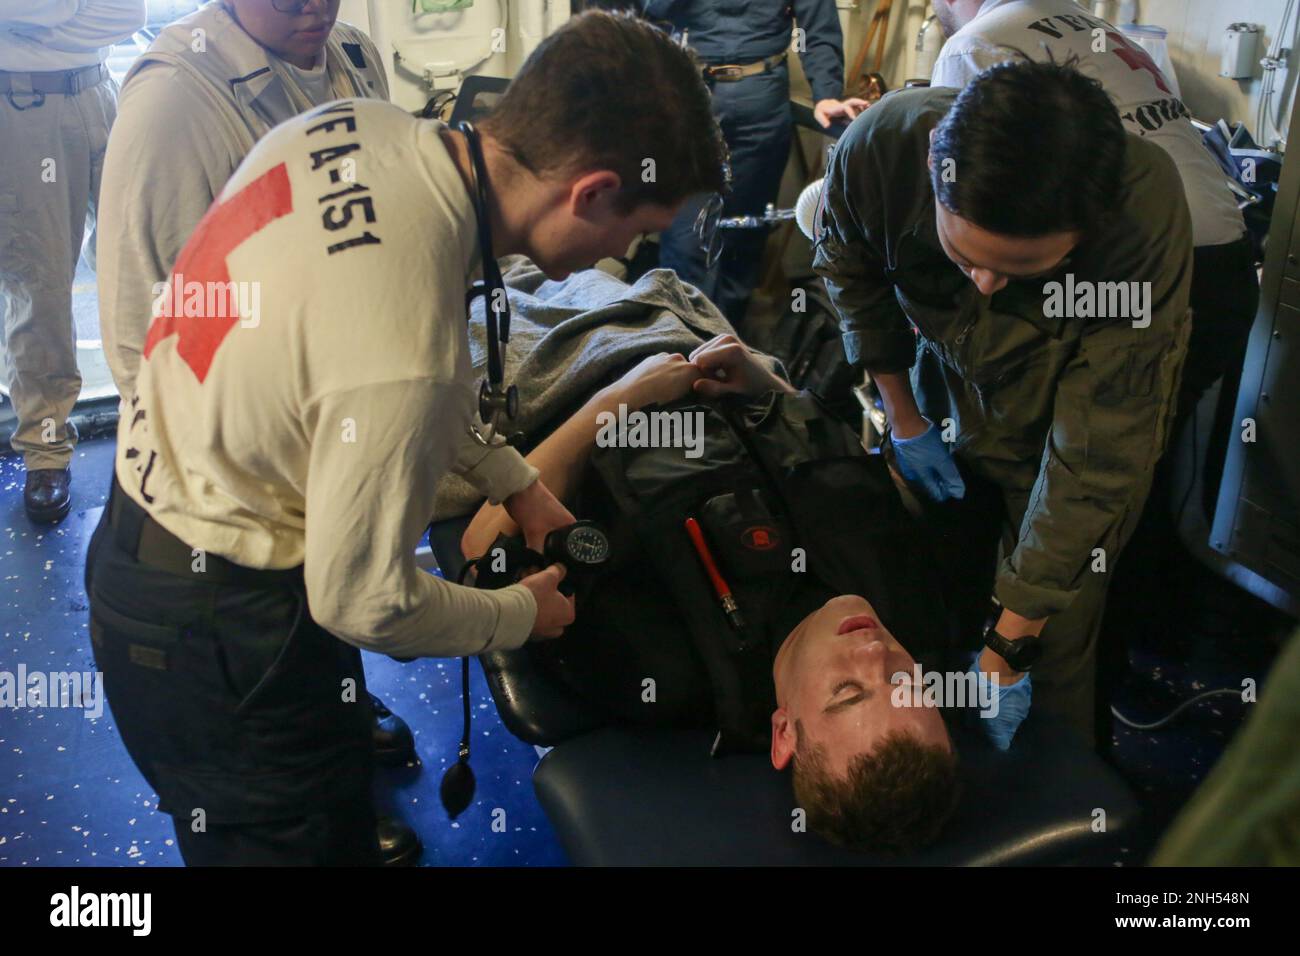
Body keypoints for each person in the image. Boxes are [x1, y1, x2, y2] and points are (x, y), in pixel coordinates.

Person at [84, 9, 729, 865]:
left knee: (322, 811)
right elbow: (362, 602)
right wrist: (516, 614)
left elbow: (354, 348)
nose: (629, 248)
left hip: (166, 532)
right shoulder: (402, 355)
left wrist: (515, 480)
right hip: (218, 627)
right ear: (592, 192)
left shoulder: (353, 126)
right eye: (636, 228)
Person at [94, 0, 415, 861]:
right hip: (227, 493)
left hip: (314, 437)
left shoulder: (350, 56)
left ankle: (338, 748)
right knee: (269, 733)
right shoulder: (176, 105)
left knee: (321, 640)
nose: (316, 5)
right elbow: (141, 340)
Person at [812, 60, 1193, 750]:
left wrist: (1011, 648)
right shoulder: (881, 147)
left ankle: (1062, 818)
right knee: (924, 593)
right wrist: (904, 420)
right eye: (963, 257)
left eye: (1020, 270)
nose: (984, 285)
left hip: (1062, 433)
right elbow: (853, 270)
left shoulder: (1138, 215)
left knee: (1054, 644)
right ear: (934, 163)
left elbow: (1100, 450)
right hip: (940, 395)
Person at [462, 338, 964, 851]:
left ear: (784, 732)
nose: (876, 652)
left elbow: (483, 551)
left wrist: (616, 401)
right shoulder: (916, 612)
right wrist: (767, 387)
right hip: (714, 352)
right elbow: (831, 458)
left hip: (553, 382)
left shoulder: (660, 665)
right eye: (908, 684)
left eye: (849, 692)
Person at [928, 0, 1263, 751]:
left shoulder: (975, 48)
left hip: (1139, 251)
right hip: (1225, 259)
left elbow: (977, 204)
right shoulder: (1070, 18)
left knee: (1084, 476)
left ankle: (1058, 708)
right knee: (1123, 492)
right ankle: (1099, 685)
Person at [0, 0, 146, 523]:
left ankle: (158, 419)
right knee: (38, 287)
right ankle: (46, 449)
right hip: (22, 108)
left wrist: (31, 21)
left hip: (100, 91)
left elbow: (128, 13)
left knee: (139, 261)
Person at [643, 1, 869, 329]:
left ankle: (726, 346)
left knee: (744, 237)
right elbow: (647, 12)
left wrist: (826, 92)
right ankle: (682, 347)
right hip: (687, 94)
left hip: (760, 98)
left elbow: (815, 25)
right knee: (685, 238)